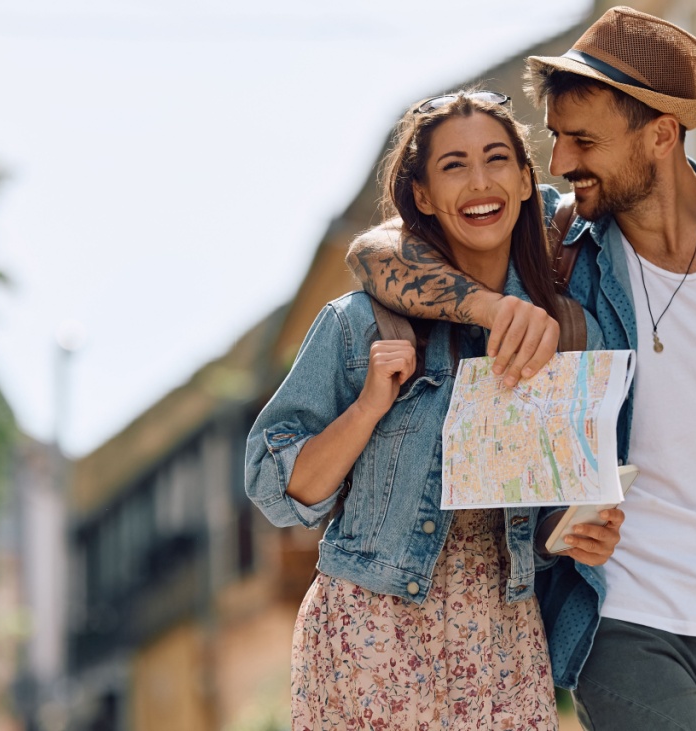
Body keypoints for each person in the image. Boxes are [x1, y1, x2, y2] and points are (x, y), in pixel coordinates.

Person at [345, 7, 696, 730]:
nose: (560, 161)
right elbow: (374, 252)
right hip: (621, 615)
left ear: (661, 135)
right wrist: (489, 306)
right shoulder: (554, 242)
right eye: (556, 136)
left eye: (583, 140)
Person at [245, 90, 621, 730]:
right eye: (454, 165)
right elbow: (274, 490)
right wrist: (369, 406)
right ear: (422, 195)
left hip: (503, 641)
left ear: (525, 180)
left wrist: (574, 531)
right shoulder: (358, 324)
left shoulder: (571, 334)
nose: (480, 183)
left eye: (496, 159)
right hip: (370, 633)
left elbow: (547, 508)